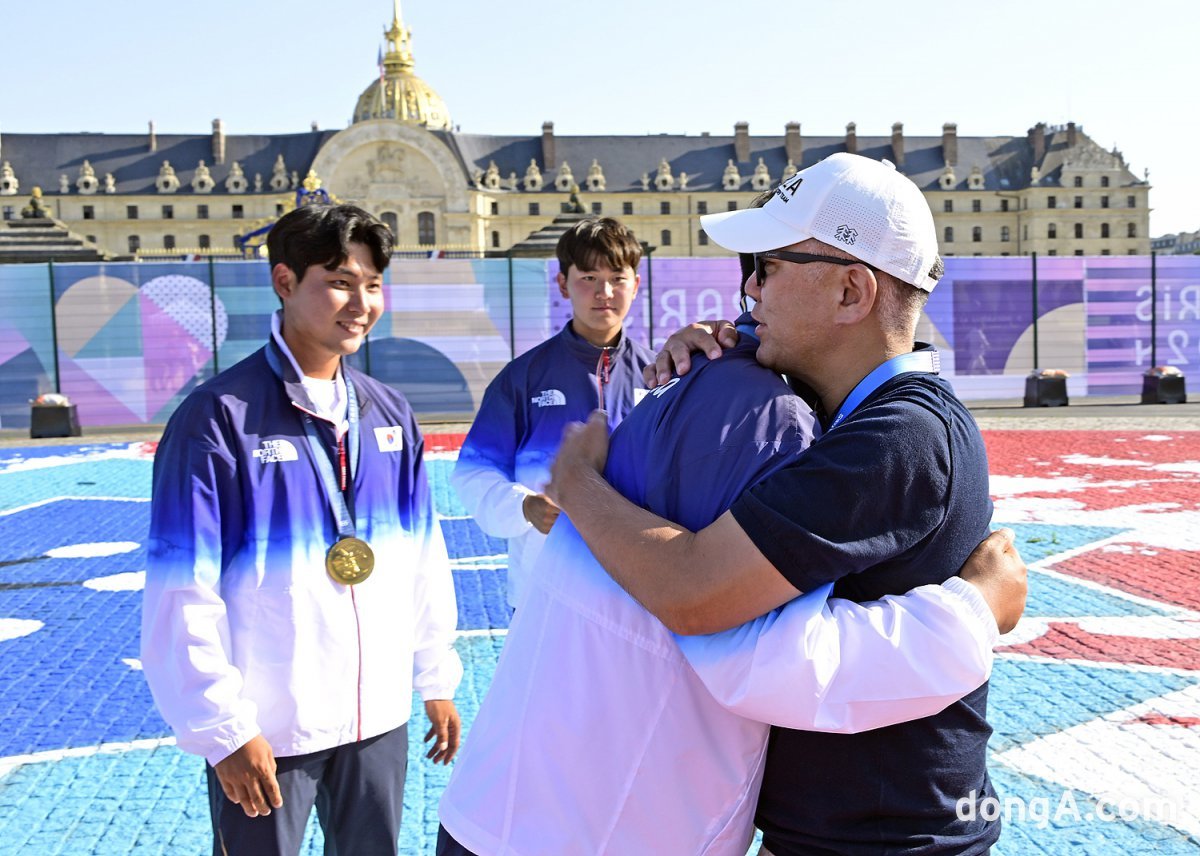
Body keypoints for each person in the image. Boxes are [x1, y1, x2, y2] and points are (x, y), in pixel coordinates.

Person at [435, 174, 1026, 854]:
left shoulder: (899, 437)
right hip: (838, 828)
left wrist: (577, 481)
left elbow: (699, 602)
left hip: (889, 840)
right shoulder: (838, 406)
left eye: (768, 268)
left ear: (850, 291)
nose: (749, 290)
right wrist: (738, 342)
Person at [142, 204, 463, 856]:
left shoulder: (388, 413)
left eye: (373, 285)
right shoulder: (217, 421)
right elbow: (181, 590)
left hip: (377, 722)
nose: (361, 303)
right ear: (285, 282)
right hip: (269, 733)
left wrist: (435, 676)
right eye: (340, 281)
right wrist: (223, 729)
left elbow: (422, 560)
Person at [451, 217, 655, 609]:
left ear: (636, 284)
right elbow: (472, 472)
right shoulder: (523, 378)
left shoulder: (658, 376)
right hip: (542, 596)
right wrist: (524, 507)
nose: (605, 292)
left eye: (617, 277)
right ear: (563, 284)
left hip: (636, 593)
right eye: (589, 278)